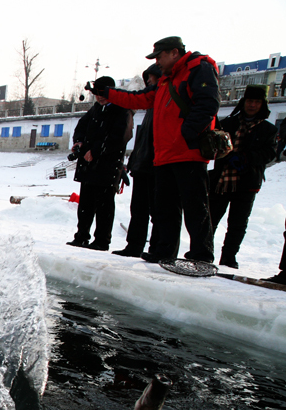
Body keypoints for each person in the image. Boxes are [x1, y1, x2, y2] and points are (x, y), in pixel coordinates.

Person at [101, 36, 220, 263]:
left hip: (187, 152)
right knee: (165, 209)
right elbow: (141, 98)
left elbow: (208, 103)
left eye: (160, 57)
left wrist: (186, 133)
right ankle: (163, 252)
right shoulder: (166, 80)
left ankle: (201, 255)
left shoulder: (198, 68)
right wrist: (108, 93)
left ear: (174, 52)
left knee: (194, 206)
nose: (158, 62)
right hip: (164, 155)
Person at [208, 85, 278, 269]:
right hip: (221, 181)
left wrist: (247, 158)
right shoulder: (228, 123)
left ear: (262, 104)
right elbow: (214, 147)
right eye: (249, 101)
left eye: (256, 102)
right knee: (210, 220)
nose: (252, 105)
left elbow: (269, 153)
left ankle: (228, 259)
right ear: (243, 102)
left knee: (237, 225)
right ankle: (204, 254)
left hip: (247, 183)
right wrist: (228, 155)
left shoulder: (268, 130)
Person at [66, 76, 132, 250]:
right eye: (97, 94)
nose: (100, 98)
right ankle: (81, 236)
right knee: (85, 204)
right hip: (89, 167)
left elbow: (120, 137)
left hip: (107, 166)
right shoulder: (95, 110)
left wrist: (95, 151)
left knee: (104, 206)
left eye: (103, 94)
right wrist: (79, 142)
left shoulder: (122, 110)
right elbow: (81, 127)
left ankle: (102, 240)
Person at [114, 65, 162, 257]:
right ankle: (134, 246)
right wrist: (132, 162)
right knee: (138, 210)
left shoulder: (164, 106)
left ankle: (158, 249)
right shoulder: (150, 110)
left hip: (157, 166)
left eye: (152, 80)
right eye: (148, 80)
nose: (149, 83)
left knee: (157, 212)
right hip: (142, 165)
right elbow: (142, 140)